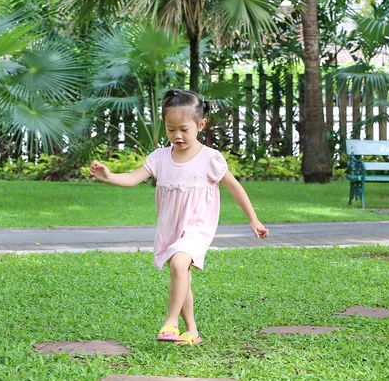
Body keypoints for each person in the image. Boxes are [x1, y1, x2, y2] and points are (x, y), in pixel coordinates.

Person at [90, 89, 269, 346]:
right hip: (170, 227)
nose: (177, 136)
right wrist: (109, 177)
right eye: (171, 129)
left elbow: (234, 187)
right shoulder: (160, 158)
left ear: (200, 124)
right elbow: (133, 178)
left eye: (184, 129)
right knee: (181, 273)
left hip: (197, 226)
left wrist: (253, 219)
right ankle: (192, 330)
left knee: (178, 265)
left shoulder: (210, 158)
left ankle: (171, 322)